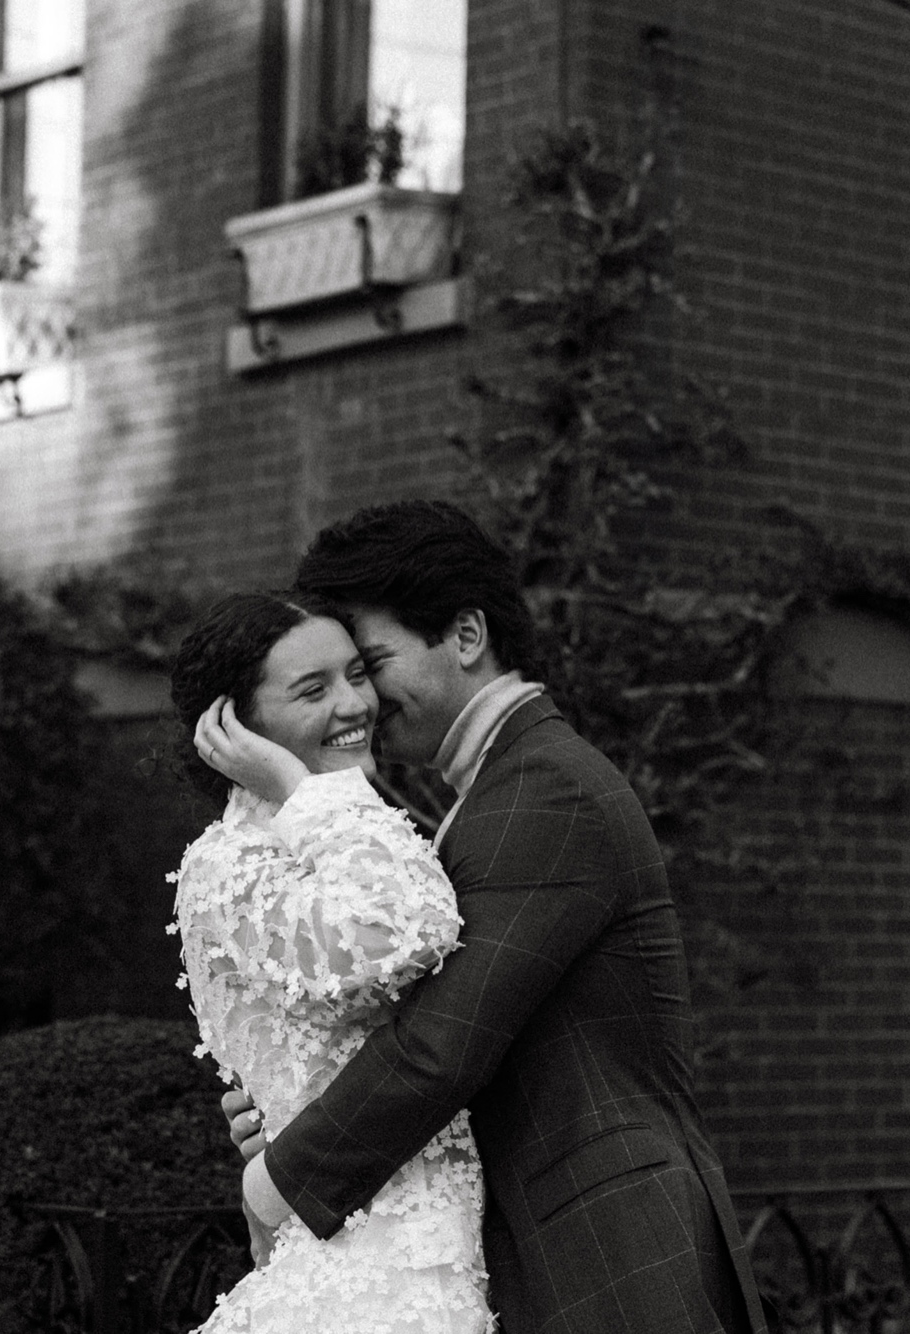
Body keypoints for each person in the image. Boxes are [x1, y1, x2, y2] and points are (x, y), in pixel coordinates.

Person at [224, 501, 769, 1334]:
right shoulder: (496, 789)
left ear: (467, 636)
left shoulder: (545, 790)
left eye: (370, 663)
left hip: (614, 1256)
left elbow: (443, 1044)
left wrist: (275, 1183)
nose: (363, 699)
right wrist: (286, 1091)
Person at [169, 590, 493, 1334]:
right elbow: (403, 930)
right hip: (371, 1254)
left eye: (357, 674)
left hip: (434, 1242)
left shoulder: (347, 833)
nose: (355, 704)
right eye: (313, 690)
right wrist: (295, 788)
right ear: (237, 726)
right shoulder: (231, 867)